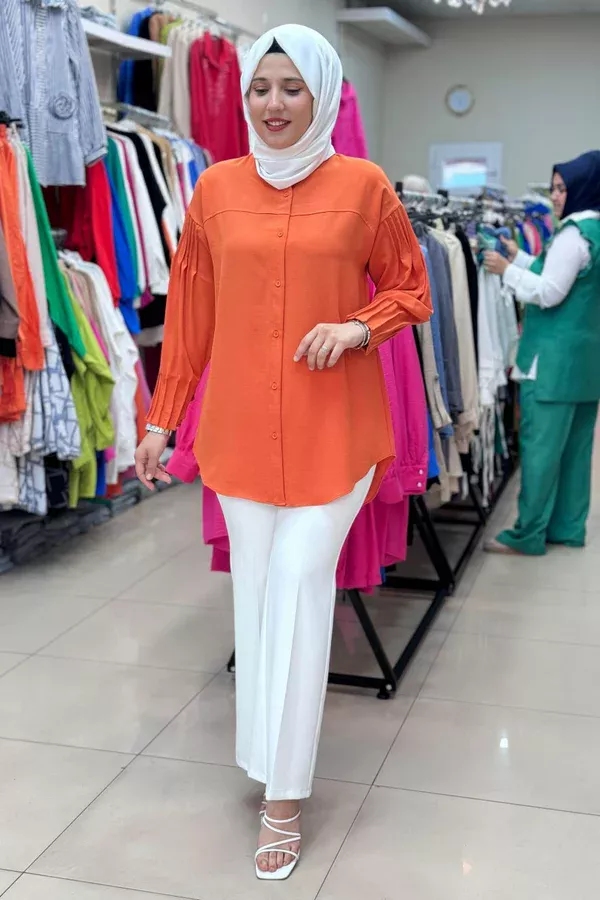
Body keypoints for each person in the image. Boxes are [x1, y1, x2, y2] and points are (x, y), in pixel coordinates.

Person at [134, 24, 431, 880]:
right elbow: (191, 316)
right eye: (260, 87)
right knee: (258, 599)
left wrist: (358, 326)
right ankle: (265, 755)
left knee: (301, 586)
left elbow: (412, 288)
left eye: (291, 88)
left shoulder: (366, 186)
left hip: (334, 432)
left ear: (323, 93)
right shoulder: (216, 190)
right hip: (237, 434)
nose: (272, 103)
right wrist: (162, 418)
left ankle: (286, 798)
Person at [483, 150, 600, 555]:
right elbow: (564, 275)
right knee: (575, 454)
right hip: (584, 367)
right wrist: (519, 257)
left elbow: (549, 291)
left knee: (542, 454)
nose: (554, 196)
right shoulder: (594, 233)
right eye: (553, 188)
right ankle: (567, 528)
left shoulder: (571, 235)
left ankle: (528, 535)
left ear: (582, 188)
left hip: (550, 366)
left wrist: (506, 271)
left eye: (562, 188)